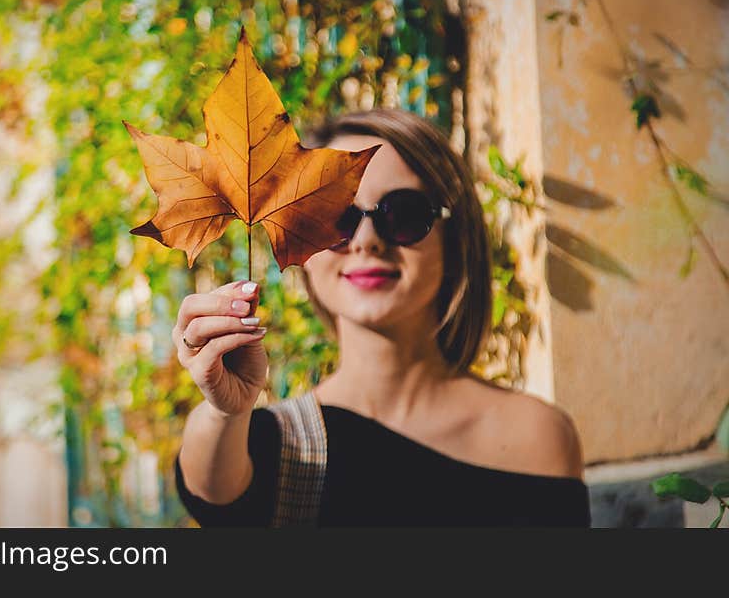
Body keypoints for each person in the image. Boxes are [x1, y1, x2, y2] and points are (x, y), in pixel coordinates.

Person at [171, 107, 591, 527]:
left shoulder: (538, 435)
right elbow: (211, 492)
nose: (367, 241)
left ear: (456, 237)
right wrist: (225, 411)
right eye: (335, 218)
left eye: (404, 214)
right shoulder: (272, 446)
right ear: (304, 250)